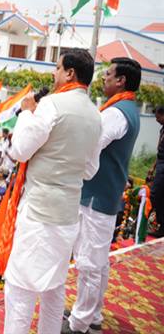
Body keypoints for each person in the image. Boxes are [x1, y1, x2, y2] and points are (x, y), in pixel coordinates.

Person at [3, 49, 101, 334]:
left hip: (39, 213)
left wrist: (25, 113)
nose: (53, 74)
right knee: (54, 287)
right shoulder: (96, 115)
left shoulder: (51, 105)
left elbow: (20, 150)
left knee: (20, 288)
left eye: (57, 68)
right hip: (68, 214)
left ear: (70, 73)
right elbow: (90, 170)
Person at [64, 57, 142, 334]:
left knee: (88, 262)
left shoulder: (117, 113)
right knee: (96, 261)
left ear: (121, 81)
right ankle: (91, 313)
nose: (103, 78)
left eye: (108, 74)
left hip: (97, 196)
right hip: (102, 194)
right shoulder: (125, 108)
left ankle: (80, 323)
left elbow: (91, 145)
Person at [148, 106, 164, 238]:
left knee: (155, 194)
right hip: (160, 164)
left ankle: (160, 224)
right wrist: (153, 167)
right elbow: (160, 152)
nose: (157, 119)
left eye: (158, 117)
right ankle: (161, 226)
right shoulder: (162, 130)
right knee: (158, 196)